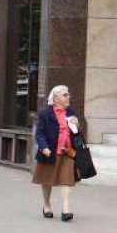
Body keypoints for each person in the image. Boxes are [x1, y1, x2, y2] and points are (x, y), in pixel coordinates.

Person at [32, 85, 81, 222]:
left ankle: (65, 210)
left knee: (66, 180)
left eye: (68, 94)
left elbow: (76, 133)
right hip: (50, 152)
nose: (68, 97)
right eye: (65, 95)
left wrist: (77, 125)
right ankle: (47, 205)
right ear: (55, 98)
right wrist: (44, 147)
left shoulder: (71, 112)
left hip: (67, 152)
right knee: (47, 181)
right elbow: (39, 133)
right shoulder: (45, 114)